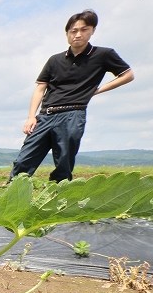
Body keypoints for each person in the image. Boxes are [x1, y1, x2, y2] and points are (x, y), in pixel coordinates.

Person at [8, 9, 133, 183]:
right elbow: (40, 88)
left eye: (84, 30)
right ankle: (10, 196)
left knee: (64, 163)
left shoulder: (103, 55)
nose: (78, 35)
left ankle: (56, 199)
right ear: (67, 34)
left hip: (73, 113)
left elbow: (128, 75)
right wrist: (31, 117)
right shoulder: (55, 60)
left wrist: (98, 89)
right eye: (73, 31)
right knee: (24, 160)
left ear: (92, 31)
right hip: (46, 114)